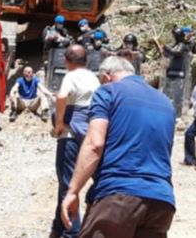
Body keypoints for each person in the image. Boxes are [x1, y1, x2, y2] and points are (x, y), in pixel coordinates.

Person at [61, 57, 175, 237]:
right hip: (162, 201)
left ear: (106, 76)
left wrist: (73, 191)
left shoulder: (108, 92)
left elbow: (94, 144)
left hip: (118, 196)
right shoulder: (166, 102)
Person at [52, 45, 101, 238]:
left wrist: (59, 123)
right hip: (89, 134)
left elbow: (61, 96)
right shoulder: (93, 78)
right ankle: (58, 226)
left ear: (67, 60)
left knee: (67, 183)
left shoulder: (71, 76)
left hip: (70, 135)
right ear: (86, 60)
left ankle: (71, 231)